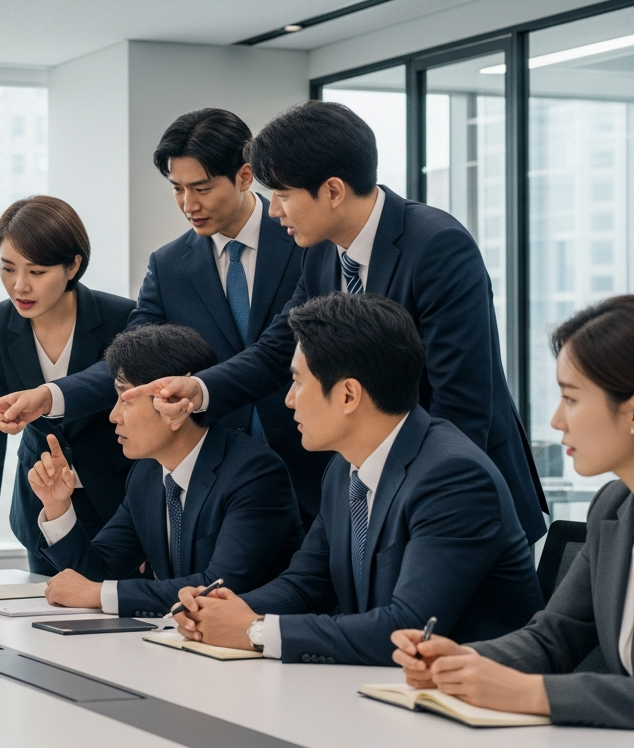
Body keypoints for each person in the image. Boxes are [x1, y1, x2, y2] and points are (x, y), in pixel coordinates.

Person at [120, 101, 547, 544]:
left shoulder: (437, 245)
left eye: (284, 195)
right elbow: (278, 348)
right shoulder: (322, 252)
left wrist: (418, 500)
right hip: (375, 492)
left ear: (333, 191)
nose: (273, 211)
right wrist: (201, 389)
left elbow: (460, 401)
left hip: (457, 495)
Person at [0, 109, 327, 523]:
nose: (188, 204)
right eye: (177, 189)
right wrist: (49, 397)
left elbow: (280, 352)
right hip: (215, 486)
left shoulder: (308, 243)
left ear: (245, 176)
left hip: (312, 472)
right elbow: (127, 363)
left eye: (202, 188)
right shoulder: (169, 266)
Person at [173, 292, 543, 666]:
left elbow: (406, 628)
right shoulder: (343, 468)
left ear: (348, 395)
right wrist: (218, 610)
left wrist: (254, 631)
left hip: (469, 692)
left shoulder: (454, 477)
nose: (289, 400)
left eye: (298, 382)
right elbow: (306, 584)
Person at [391, 296, 634, 729]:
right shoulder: (613, 507)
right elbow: (552, 638)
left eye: (570, 399)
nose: (556, 420)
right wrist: (460, 661)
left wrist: (532, 693)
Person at [0, 196, 134, 585]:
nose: (20, 285)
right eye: (7, 268)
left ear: (73, 266)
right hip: (41, 511)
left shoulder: (122, 317)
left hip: (119, 508)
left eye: (37, 271)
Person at [26, 323, 303, 616]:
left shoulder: (254, 473)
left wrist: (100, 593)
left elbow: (219, 586)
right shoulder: (145, 474)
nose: (113, 416)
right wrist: (57, 506)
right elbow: (95, 574)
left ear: (177, 403)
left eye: (125, 399)